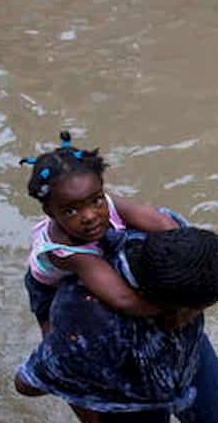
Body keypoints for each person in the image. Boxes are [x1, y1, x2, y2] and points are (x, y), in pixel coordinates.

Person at [15, 225, 218, 423]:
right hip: (131, 397)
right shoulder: (88, 322)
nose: (194, 316)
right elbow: (34, 383)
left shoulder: (170, 242)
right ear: (162, 306)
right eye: (193, 310)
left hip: (189, 359)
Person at [19, 131, 177, 332]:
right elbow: (123, 299)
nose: (90, 216)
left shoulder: (105, 202)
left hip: (92, 252)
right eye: (70, 211)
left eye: (96, 200)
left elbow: (163, 223)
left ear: (101, 190)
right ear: (50, 212)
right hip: (47, 286)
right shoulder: (67, 252)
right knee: (56, 333)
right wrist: (172, 309)